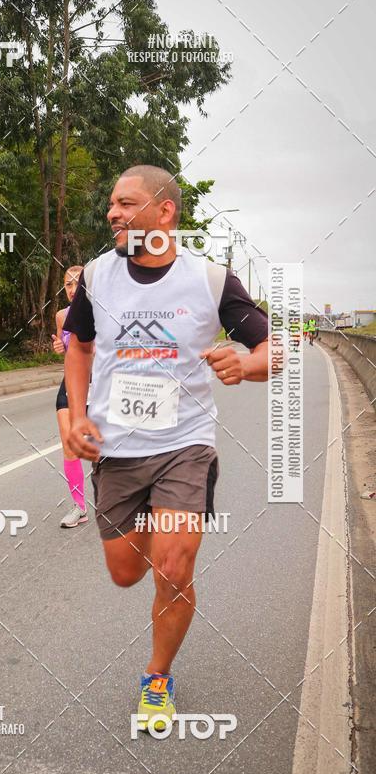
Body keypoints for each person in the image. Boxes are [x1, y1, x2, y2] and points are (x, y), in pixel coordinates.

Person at [63, 166, 270, 731]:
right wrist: (76, 415)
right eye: (111, 203)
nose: (112, 213)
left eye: (125, 203)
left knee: (174, 569)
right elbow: (78, 348)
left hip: (186, 444)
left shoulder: (210, 280)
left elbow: (278, 349)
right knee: (127, 572)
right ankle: (158, 525)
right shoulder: (99, 277)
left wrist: (248, 363)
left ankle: (157, 676)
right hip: (117, 448)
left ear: (164, 212)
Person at [51, 266, 88, 528]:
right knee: (69, 444)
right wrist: (60, 348)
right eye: (68, 285)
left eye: (77, 283)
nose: (73, 289)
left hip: (99, 384)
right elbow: (67, 353)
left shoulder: (101, 312)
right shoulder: (62, 316)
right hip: (70, 383)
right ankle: (80, 507)